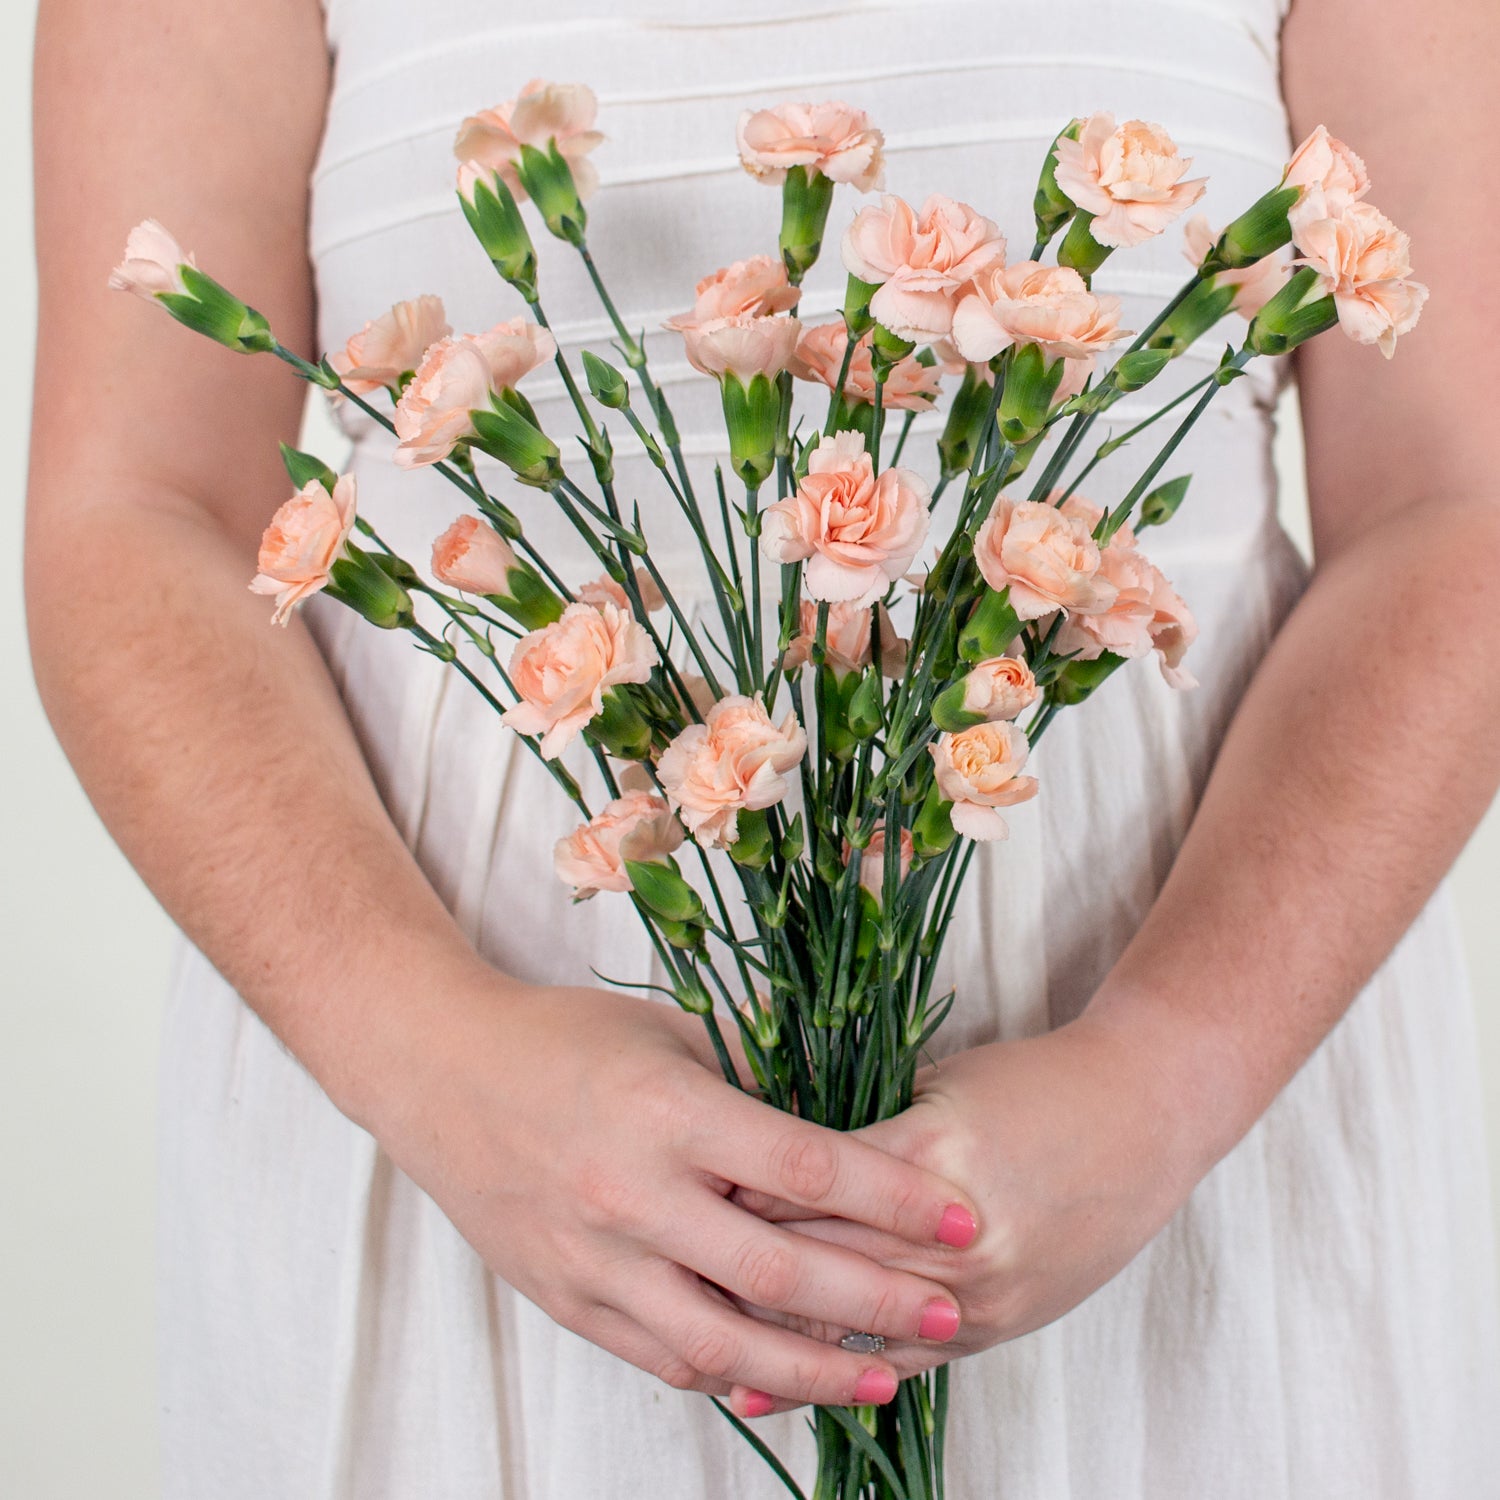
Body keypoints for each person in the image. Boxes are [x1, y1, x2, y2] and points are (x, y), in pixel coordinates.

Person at [26, 0, 1500, 1494]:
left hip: (1176, 1123)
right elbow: (142, 512)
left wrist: (1169, 1072)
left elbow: (1457, 509)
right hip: (473, 1151)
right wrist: (429, 1059)